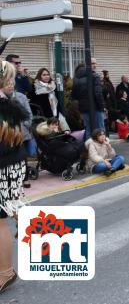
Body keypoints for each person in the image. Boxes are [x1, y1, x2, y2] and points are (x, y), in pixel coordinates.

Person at [0, 61, 26, 293]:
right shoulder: (7, 104)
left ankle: (5, 272)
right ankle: (28, 222)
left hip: (4, 167)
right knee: (10, 207)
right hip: (11, 166)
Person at [71, 62, 105, 139]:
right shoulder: (94, 75)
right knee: (100, 128)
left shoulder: (75, 79)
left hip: (83, 108)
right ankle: (102, 147)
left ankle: (89, 147)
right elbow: (98, 93)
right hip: (96, 106)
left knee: (88, 129)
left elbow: (74, 95)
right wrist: (102, 106)